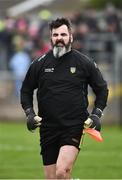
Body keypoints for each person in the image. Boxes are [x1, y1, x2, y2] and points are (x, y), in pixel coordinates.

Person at [20, 17, 108, 179]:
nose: (59, 38)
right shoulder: (39, 63)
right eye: (55, 35)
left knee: (61, 172)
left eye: (63, 34)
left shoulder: (84, 62)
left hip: (74, 125)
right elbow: (25, 90)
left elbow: (102, 89)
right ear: (51, 38)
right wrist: (30, 114)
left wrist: (96, 114)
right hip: (47, 128)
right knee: (52, 178)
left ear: (71, 37)